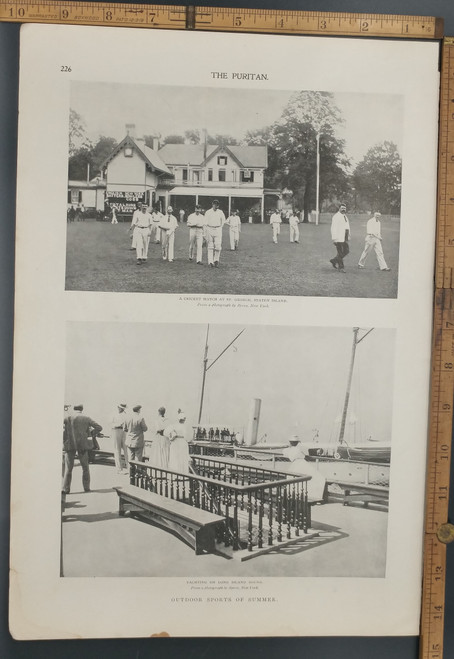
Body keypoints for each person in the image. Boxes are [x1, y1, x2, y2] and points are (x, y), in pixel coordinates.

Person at [62, 404, 102, 494]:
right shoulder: (86, 418)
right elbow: (99, 427)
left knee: (68, 468)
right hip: (83, 445)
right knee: (85, 467)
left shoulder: (68, 418)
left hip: (70, 445)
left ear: (74, 409)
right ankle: (86, 488)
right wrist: (91, 433)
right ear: (82, 409)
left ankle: (66, 488)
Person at [204, 199, 226, 267]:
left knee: (218, 246)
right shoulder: (208, 212)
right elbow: (205, 222)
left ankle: (216, 260)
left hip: (218, 229)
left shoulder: (220, 212)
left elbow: (223, 220)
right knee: (210, 246)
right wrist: (206, 231)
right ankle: (210, 262)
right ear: (212, 204)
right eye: (215, 204)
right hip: (209, 228)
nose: (216, 206)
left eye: (217, 205)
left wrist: (220, 227)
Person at [330, 203, 351, 273]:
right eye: (342, 208)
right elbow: (333, 228)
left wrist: (348, 235)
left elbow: (347, 227)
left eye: (344, 208)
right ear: (339, 208)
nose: (343, 209)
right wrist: (334, 239)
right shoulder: (336, 216)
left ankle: (334, 260)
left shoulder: (345, 216)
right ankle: (341, 267)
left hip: (344, 237)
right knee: (340, 252)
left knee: (346, 251)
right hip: (338, 237)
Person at [111, 403, 128, 474]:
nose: (120, 408)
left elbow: (127, 424)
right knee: (117, 450)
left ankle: (129, 467)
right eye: (120, 407)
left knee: (126, 449)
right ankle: (119, 469)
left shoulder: (126, 415)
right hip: (116, 431)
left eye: (122, 408)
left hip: (124, 431)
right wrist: (117, 425)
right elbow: (111, 424)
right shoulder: (114, 414)